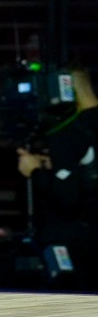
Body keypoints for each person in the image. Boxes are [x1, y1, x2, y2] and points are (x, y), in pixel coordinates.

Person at [14, 64, 98, 292]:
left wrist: (35, 170)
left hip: (88, 235)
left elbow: (67, 196)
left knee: (51, 237)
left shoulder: (70, 131)